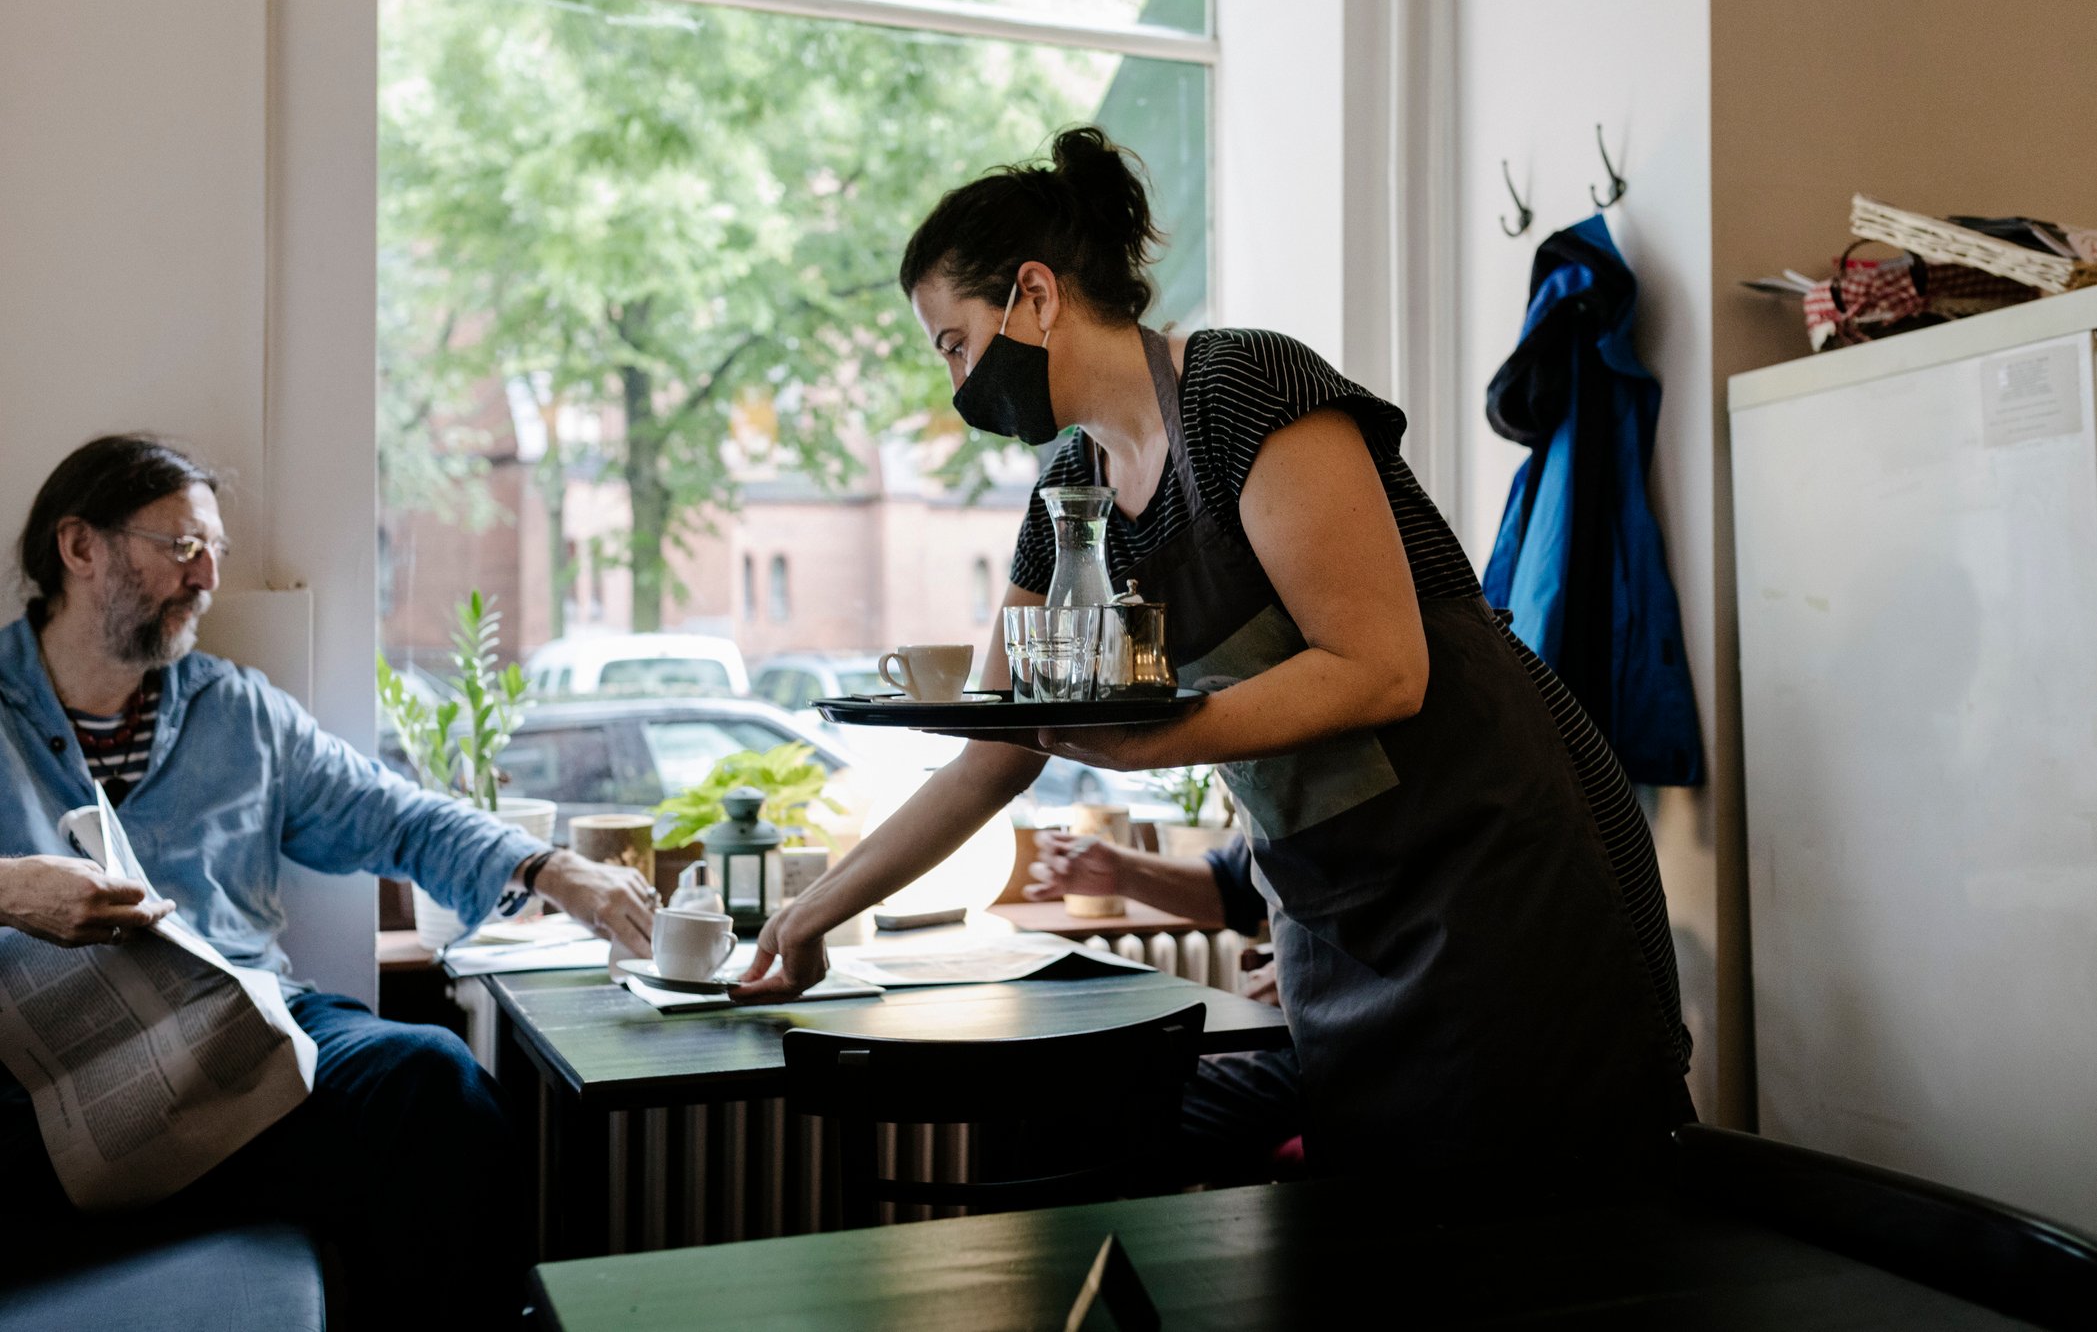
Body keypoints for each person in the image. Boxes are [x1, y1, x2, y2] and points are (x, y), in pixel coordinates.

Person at [740, 126, 1694, 1198]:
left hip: (1508, 859)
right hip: (1343, 907)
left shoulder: (1243, 386)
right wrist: (810, 912)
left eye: (954, 342)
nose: (959, 381)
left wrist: (1155, 741)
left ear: (1036, 297)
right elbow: (991, 751)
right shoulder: (1073, 492)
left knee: (1559, 1230)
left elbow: (1384, 669)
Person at [0, 435, 659, 1327]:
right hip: (45, 1086)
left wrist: (548, 866)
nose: (206, 580)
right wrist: (10, 890)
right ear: (80, 549)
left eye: (215, 554)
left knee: (429, 1077)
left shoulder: (240, 712)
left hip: (243, 1048)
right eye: (183, 548)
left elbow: (394, 814)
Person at [1026, 827, 1303, 1187]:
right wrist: (1117, 870)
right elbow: (1237, 882)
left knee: (1086, 1120)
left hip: (1358, 1054)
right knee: (1060, 1101)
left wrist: (1317, 977)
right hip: (1298, 1042)